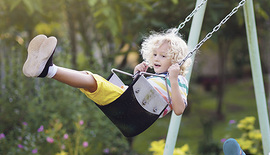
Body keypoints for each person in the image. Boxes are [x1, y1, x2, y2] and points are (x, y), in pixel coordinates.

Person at [22, 29, 191, 117]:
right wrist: (137, 76)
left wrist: (174, 79)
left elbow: (178, 109)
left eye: (163, 56)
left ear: (176, 60)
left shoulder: (178, 80)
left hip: (135, 110)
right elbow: (140, 92)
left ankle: (47, 69)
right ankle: (46, 69)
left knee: (93, 81)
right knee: (87, 76)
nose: (157, 58)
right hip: (128, 101)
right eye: (154, 54)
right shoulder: (154, 77)